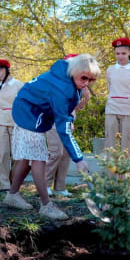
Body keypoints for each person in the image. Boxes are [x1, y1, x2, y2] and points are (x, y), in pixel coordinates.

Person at [4, 54, 100, 220]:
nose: (86, 83)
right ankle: (46, 205)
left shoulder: (70, 77)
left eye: (91, 80)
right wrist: (79, 159)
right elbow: (63, 128)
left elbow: (69, 106)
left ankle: (12, 196)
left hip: (33, 110)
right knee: (39, 158)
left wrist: (68, 118)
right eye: (84, 78)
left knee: (28, 157)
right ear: (75, 71)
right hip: (29, 113)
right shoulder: (61, 87)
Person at [46, 54, 90, 197]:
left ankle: (60, 187)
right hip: (53, 122)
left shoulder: (77, 84)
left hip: (67, 122)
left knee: (65, 155)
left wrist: (86, 96)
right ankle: (45, 184)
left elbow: (76, 107)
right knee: (55, 152)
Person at [0, 59, 24, 192]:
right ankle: (4, 184)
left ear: (3, 70)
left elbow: (25, 106)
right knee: (1, 155)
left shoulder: (19, 85)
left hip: (16, 124)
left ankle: (14, 182)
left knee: (17, 155)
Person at [105, 37, 130, 159]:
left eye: (123, 53)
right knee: (110, 145)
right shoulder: (110, 70)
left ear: (129, 52)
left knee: (127, 146)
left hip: (129, 111)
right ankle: (110, 177)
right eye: (117, 53)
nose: (120, 56)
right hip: (111, 110)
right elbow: (110, 88)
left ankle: (125, 177)